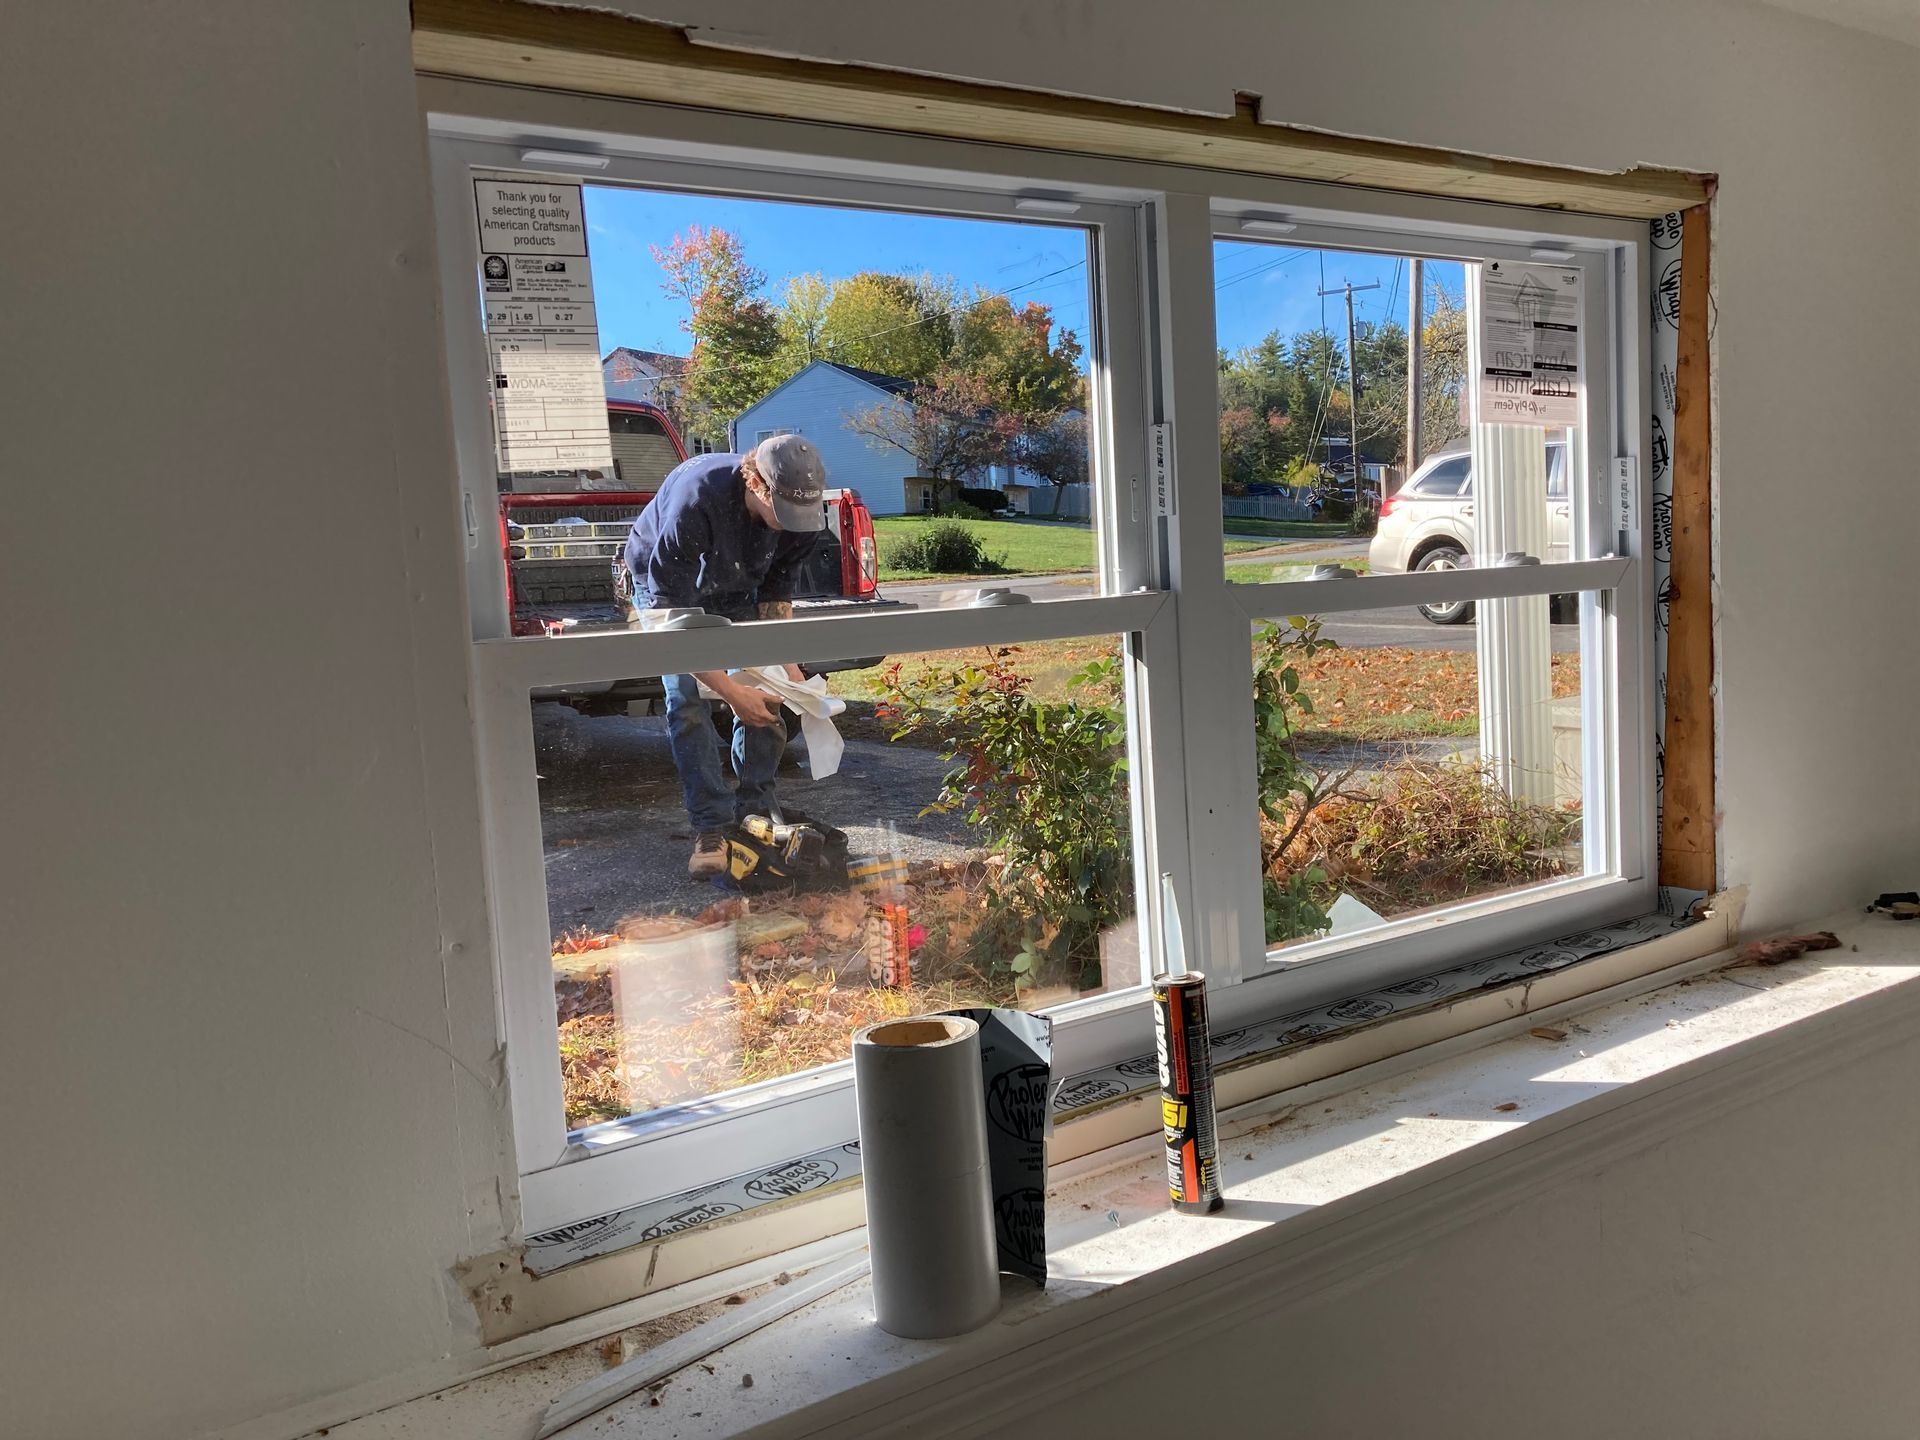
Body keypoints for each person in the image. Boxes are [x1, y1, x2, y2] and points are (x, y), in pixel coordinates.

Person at [620, 434, 828, 876]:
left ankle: (756, 812)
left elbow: (775, 597)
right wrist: (731, 692)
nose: (793, 523)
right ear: (756, 485)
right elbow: (669, 624)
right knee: (687, 702)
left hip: (735, 585)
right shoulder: (698, 499)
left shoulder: (802, 519)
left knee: (770, 692)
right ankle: (710, 826)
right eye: (784, 512)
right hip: (667, 590)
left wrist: (794, 679)